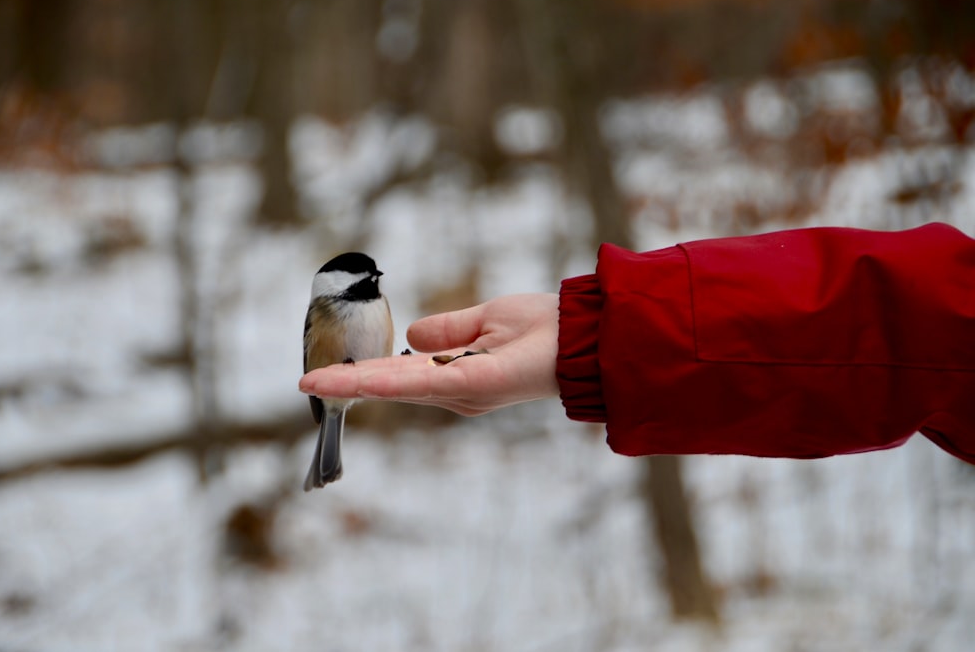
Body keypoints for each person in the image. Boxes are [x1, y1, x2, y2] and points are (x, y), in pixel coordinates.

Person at [299, 222, 975, 465]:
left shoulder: (373, 299)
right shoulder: (321, 311)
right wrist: (591, 334)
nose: (375, 284)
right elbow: (901, 322)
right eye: (364, 279)